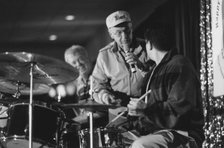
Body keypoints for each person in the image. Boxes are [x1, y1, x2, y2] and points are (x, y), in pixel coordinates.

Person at [126, 25, 205, 148]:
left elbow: (179, 112)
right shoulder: (154, 71)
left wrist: (146, 109)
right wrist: (134, 117)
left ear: (150, 44)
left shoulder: (179, 64)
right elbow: (151, 114)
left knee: (140, 146)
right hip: (160, 131)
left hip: (183, 133)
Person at [92, 10, 150, 109]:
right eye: (118, 33)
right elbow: (97, 85)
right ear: (111, 34)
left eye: (127, 31)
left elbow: (160, 77)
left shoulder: (148, 47)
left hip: (145, 107)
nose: (125, 37)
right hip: (119, 109)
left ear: (131, 28)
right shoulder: (104, 55)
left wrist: (142, 66)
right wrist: (105, 96)